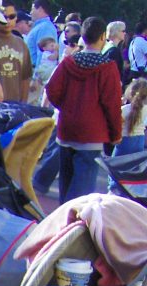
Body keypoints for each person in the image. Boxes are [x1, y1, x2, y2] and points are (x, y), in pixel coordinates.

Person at [46, 16, 121, 202]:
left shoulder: (69, 62)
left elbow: (52, 90)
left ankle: (60, 221)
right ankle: (70, 225)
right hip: (92, 133)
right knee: (81, 194)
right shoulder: (107, 68)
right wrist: (115, 134)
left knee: (66, 184)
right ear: (103, 37)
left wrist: (66, 107)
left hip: (67, 129)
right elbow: (112, 104)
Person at [0, 1, 32, 102]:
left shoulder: (21, 44)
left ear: (16, 18)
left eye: (11, 16)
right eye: (3, 17)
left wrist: (23, 104)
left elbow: (25, 78)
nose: (7, 21)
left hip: (15, 108)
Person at [25, 0, 55, 69]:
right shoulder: (42, 27)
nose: (30, 13)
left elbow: (44, 55)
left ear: (40, 9)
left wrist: (37, 77)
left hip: (37, 75)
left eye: (32, 9)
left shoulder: (45, 27)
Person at [28, 35, 57, 104]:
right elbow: (53, 58)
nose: (53, 47)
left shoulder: (50, 52)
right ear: (44, 48)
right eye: (51, 46)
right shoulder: (46, 53)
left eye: (54, 45)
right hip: (45, 71)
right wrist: (56, 50)